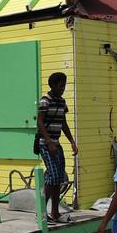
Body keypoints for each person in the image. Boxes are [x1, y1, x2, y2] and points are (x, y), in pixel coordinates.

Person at [35, 72, 78, 222]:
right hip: (45, 144)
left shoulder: (61, 102)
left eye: (64, 86)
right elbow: (40, 123)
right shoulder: (45, 101)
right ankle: (40, 212)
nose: (62, 88)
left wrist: (72, 141)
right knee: (52, 176)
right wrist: (49, 142)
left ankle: (54, 212)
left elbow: (63, 123)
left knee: (58, 177)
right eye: (60, 86)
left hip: (56, 143)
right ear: (52, 85)